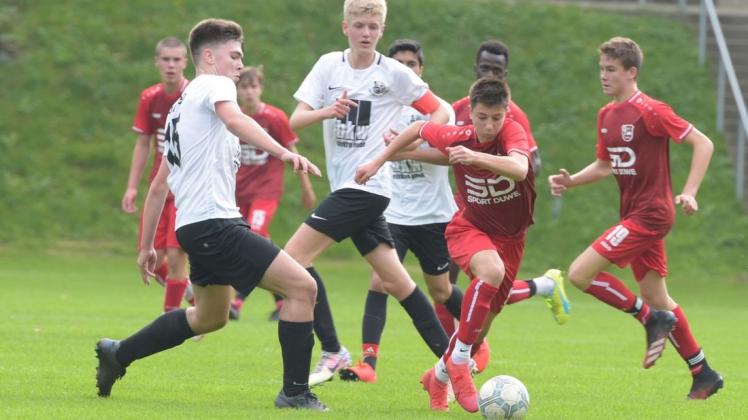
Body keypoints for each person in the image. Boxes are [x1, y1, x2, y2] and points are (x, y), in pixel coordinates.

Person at [95, 18, 327, 411]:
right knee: (303, 289)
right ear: (208, 56)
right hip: (216, 225)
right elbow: (236, 120)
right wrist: (284, 151)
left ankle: (118, 353)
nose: (239, 64)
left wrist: (146, 245)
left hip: (193, 227)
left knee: (209, 317)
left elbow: (158, 187)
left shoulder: (178, 111)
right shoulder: (216, 85)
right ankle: (295, 393)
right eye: (234, 55)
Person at [285, 0, 452, 387]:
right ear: (345, 26)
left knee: (292, 260)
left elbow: (439, 112)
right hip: (347, 185)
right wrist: (327, 111)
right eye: (359, 25)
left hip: (368, 188)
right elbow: (296, 119)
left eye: (373, 27)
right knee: (398, 283)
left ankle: (332, 349)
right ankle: (454, 361)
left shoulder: (394, 74)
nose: (365, 33)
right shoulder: (329, 66)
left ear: (382, 29)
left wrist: (409, 138)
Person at [548, 37, 722, 400]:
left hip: (652, 215)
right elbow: (604, 165)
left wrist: (689, 191)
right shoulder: (606, 114)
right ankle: (703, 372)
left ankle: (649, 320)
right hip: (634, 214)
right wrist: (572, 181)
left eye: (611, 70)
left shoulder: (651, 110)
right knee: (658, 296)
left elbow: (703, 143)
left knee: (580, 274)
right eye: (601, 69)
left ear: (632, 72)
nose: (604, 76)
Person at [356, 76, 538, 413]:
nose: (488, 125)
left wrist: (473, 158)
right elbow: (419, 130)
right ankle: (459, 363)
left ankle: (437, 377)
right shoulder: (461, 135)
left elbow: (519, 167)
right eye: (482, 117)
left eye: (496, 117)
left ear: (506, 113)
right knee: (491, 271)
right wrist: (380, 160)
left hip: (512, 239)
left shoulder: (511, 132)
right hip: (469, 228)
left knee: (479, 330)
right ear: (470, 111)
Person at [338, 39, 460, 384]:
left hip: (434, 215)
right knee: (381, 282)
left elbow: (452, 156)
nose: (406, 69)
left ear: (421, 70)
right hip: (393, 214)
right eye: (399, 64)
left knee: (441, 291)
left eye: (412, 63)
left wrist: (402, 153)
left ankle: (472, 343)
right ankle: (368, 365)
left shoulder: (440, 111)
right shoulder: (382, 109)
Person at [442, 39, 570, 336]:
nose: (490, 73)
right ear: (475, 69)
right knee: (449, 285)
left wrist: (493, 164)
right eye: (485, 67)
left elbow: (531, 164)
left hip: (500, 218)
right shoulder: (457, 110)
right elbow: (440, 149)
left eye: (496, 70)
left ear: (505, 74)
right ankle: (455, 347)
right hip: (463, 211)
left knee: (484, 287)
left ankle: (460, 348)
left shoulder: (513, 117)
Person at [228, 66, 317, 322]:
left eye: (253, 86)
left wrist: (307, 188)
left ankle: (236, 300)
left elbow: (293, 152)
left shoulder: (274, 118)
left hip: (265, 192)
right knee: (256, 243)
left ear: (261, 88)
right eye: (244, 87)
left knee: (253, 237)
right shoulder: (233, 118)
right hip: (238, 193)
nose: (248, 92)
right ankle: (282, 297)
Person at [121, 37, 192, 313]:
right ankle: (195, 301)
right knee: (153, 257)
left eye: (176, 59)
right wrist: (132, 187)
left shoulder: (193, 95)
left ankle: (170, 320)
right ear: (157, 62)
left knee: (176, 256)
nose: (171, 65)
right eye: (166, 59)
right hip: (159, 187)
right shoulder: (150, 98)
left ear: (185, 62)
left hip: (185, 188)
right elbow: (143, 143)